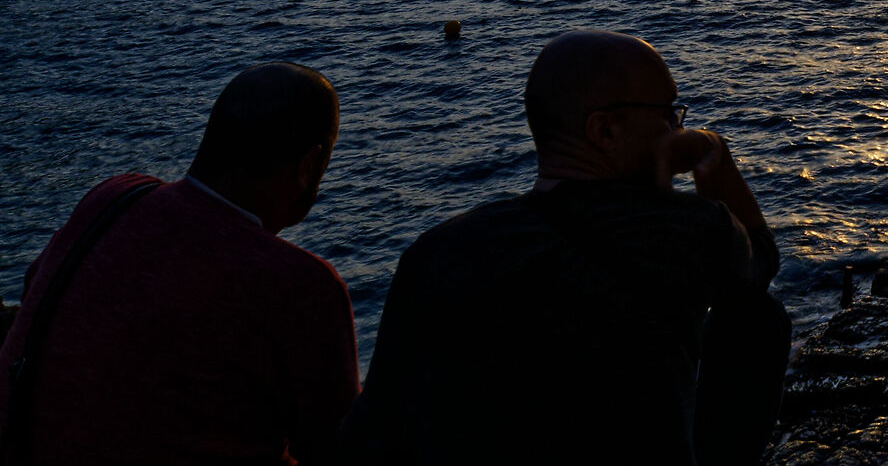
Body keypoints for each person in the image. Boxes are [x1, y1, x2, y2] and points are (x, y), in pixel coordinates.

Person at [341, 31, 790, 466]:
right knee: (758, 317)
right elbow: (762, 258)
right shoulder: (687, 229)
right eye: (668, 114)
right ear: (605, 131)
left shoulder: (435, 252)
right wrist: (717, 159)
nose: (679, 128)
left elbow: (374, 429)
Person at [0, 62, 356, 464]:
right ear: (309, 166)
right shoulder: (302, 285)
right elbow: (336, 453)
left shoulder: (113, 198)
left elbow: (35, 294)